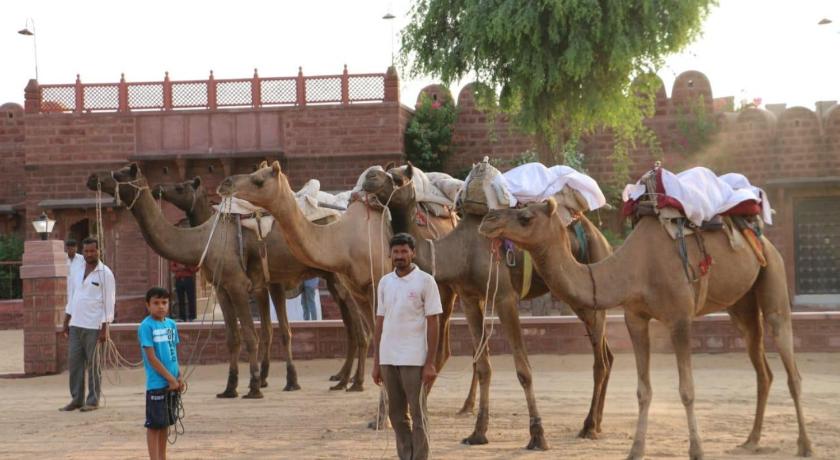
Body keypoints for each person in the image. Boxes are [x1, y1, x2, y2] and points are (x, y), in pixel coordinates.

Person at [372, 233, 442, 460]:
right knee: (396, 415)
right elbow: (380, 322)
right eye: (396, 252)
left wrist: (430, 362)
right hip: (388, 358)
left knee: (418, 413)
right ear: (390, 254)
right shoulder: (384, 282)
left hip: (414, 358)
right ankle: (406, 455)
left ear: (413, 253)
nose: (400, 256)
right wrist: (376, 363)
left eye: (404, 251)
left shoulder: (425, 281)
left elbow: (433, 322)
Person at [59, 237, 115, 412]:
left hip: (94, 326)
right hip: (76, 323)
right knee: (75, 363)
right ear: (82, 252)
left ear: (99, 251)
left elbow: (109, 302)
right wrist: (66, 321)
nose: (89, 254)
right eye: (86, 251)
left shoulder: (105, 273)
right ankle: (77, 399)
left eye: (92, 251)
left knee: (93, 364)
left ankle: (92, 400)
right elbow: (73, 296)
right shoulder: (77, 269)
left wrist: (105, 328)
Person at [138, 286, 184, 460]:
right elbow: (152, 358)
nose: (161, 306)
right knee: (154, 425)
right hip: (157, 384)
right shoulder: (146, 326)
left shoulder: (171, 324)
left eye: (164, 302)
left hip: (172, 382)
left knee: (165, 423)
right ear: (148, 305)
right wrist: (170, 379)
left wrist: (179, 376)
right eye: (156, 303)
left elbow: (173, 353)